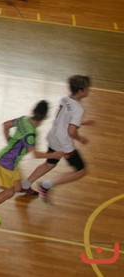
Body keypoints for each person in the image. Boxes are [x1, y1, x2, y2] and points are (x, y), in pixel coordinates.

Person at [0, 101, 64, 224]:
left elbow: (5, 125)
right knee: (9, 192)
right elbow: (35, 154)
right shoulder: (31, 134)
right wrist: (54, 155)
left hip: (8, 160)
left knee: (17, 187)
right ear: (45, 117)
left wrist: (9, 140)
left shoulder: (23, 119)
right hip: (7, 164)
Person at [19, 75, 94, 203]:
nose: (89, 90)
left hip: (53, 136)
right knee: (81, 171)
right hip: (64, 143)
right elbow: (71, 131)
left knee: (49, 164)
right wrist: (80, 139)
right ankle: (46, 185)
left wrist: (81, 122)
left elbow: (64, 119)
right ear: (81, 91)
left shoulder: (65, 99)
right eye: (87, 88)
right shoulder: (78, 109)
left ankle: (26, 185)